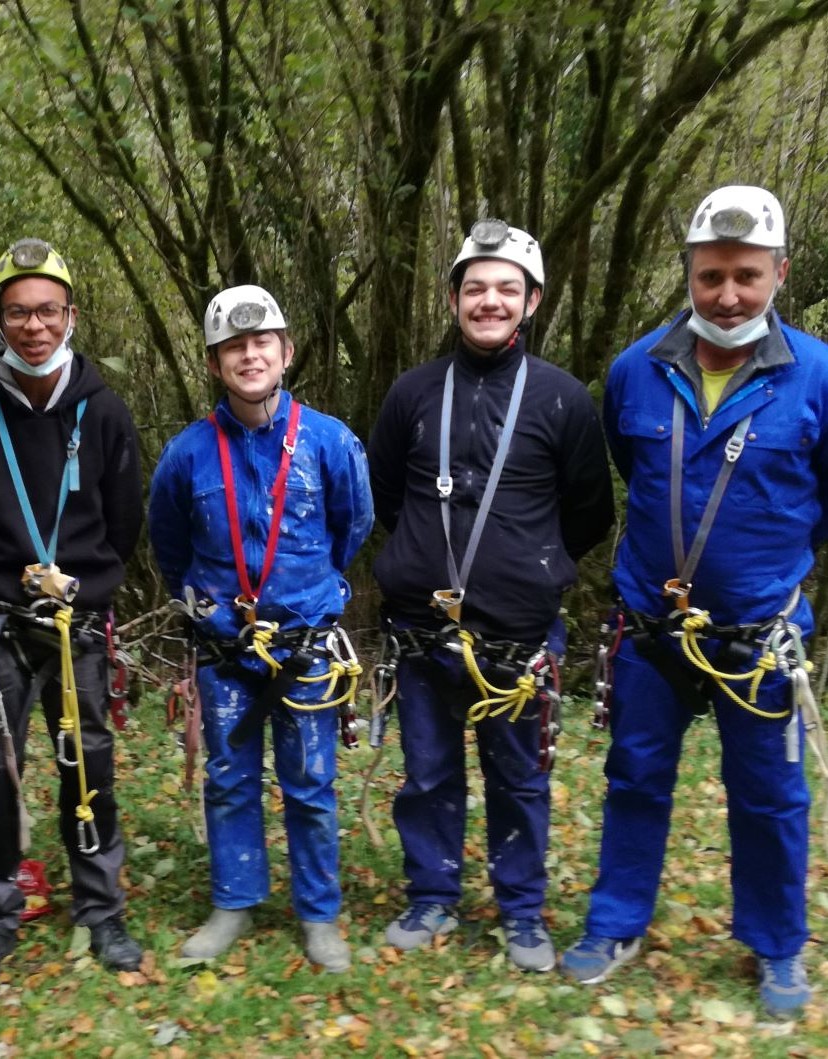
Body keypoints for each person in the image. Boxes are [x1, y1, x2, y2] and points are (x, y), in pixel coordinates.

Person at [562, 185, 823, 1018]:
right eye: (711, 275)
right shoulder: (634, 370)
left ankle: (778, 945)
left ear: (780, 271)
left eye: (748, 275)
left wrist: (767, 578)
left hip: (759, 634)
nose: (729, 294)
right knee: (634, 773)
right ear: (689, 272)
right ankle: (615, 922)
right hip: (651, 627)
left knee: (772, 793)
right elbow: (636, 476)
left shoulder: (818, 375)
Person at [366, 221, 614, 972]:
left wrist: (529, 566)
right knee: (429, 770)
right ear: (452, 298)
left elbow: (590, 513)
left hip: (519, 633)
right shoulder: (411, 394)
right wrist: (419, 560)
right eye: (475, 287)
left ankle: (521, 911)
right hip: (422, 630)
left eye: (507, 288)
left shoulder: (564, 399)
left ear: (532, 300)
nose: (490, 300)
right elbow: (385, 498)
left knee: (519, 776)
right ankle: (432, 893)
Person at [0, 238, 143, 993]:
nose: (34, 326)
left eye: (47, 310)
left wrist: (86, 588)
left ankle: (101, 907)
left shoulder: (106, 413)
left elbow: (124, 525)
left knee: (89, 761)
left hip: (77, 623)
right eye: (18, 312)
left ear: (71, 315)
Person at [149, 285, 373, 971]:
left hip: (306, 642)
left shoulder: (330, 441)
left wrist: (310, 588)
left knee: (311, 777)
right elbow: (167, 544)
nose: (249, 355)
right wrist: (213, 607)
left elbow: (354, 523)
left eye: (261, 342)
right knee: (228, 775)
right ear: (216, 363)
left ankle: (318, 912)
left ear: (286, 352)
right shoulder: (187, 454)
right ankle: (234, 899)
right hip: (224, 649)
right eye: (233, 347)